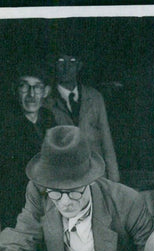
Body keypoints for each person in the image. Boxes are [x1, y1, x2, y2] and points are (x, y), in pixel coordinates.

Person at [0, 125, 154, 251]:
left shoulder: (127, 202)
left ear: (91, 180)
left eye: (73, 193)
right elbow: (18, 240)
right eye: (56, 193)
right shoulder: (39, 192)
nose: (65, 203)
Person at [0, 63, 58, 229]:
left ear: (46, 92)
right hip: (20, 206)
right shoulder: (4, 124)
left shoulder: (48, 118)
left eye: (37, 87)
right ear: (15, 89)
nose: (31, 94)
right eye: (25, 86)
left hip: (50, 203)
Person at [46, 53, 120, 182]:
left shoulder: (95, 97)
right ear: (54, 65)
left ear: (79, 66)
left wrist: (114, 183)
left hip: (96, 177)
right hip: (66, 180)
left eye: (72, 62)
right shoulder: (47, 102)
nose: (66, 67)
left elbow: (107, 144)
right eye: (61, 61)